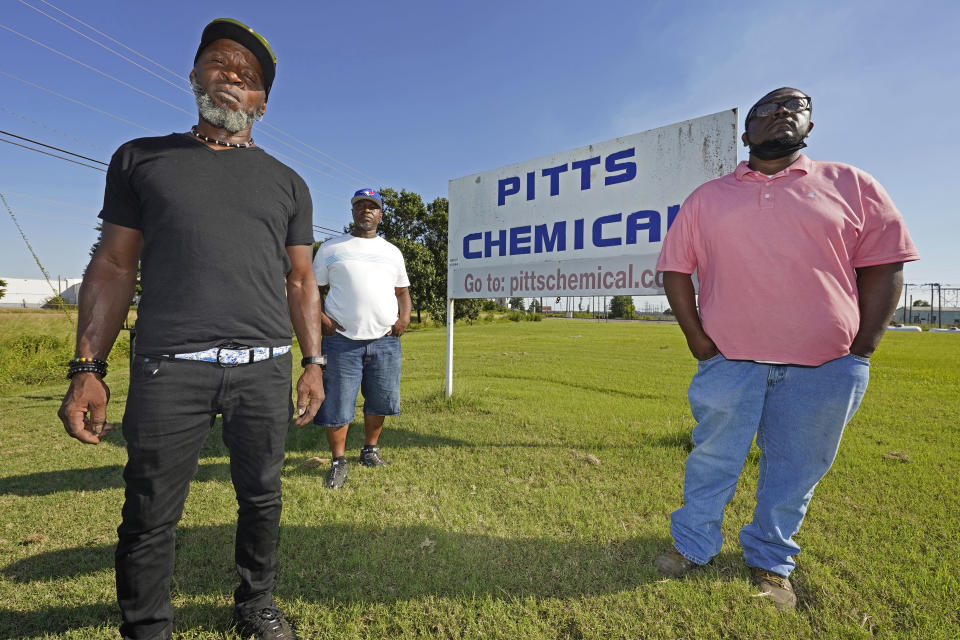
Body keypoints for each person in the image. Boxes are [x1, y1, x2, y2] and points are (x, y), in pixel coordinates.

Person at [57, 18, 324, 640]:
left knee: (261, 497)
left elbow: (301, 280)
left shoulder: (290, 182)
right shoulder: (141, 158)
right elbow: (114, 263)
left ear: (262, 100)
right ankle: (148, 627)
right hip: (168, 366)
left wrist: (313, 362)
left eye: (249, 75)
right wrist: (87, 368)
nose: (232, 75)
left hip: (265, 366)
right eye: (220, 62)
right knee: (149, 510)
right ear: (194, 75)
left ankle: (256, 604)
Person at [653, 87, 919, 610]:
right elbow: (676, 269)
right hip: (730, 363)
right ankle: (693, 545)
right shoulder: (708, 197)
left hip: (827, 367)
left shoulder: (852, 185)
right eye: (766, 110)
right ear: (746, 133)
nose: (780, 114)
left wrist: (861, 346)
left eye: (794, 108)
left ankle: (771, 560)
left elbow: (886, 265)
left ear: (810, 127)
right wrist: (699, 341)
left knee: (796, 469)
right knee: (712, 459)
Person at [312, 189, 412, 489]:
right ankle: (338, 461)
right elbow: (311, 289)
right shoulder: (331, 248)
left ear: (380, 214)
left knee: (380, 400)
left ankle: (369, 451)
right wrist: (323, 320)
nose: (366, 211)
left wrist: (404, 317)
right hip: (341, 340)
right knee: (338, 404)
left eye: (372, 207)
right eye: (360, 206)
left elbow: (402, 291)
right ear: (353, 212)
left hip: (384, 340)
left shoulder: (392, 252)